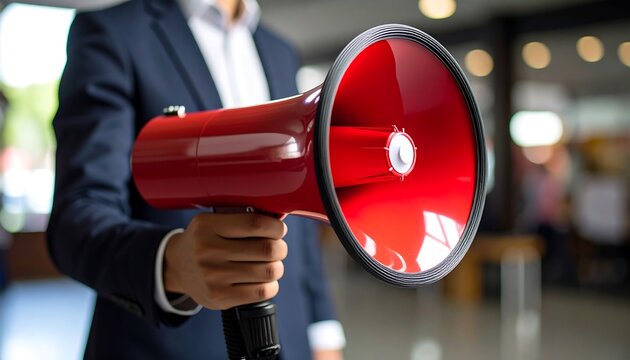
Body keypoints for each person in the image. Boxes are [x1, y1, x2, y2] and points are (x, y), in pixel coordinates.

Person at [46, 0, 345, 359]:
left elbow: (301, 215)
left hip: (291, 343)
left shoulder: (279, 51)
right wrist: (174, 264)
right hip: (164, 347)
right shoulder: (112, 30)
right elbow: (76, 218)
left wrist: (324, 332)